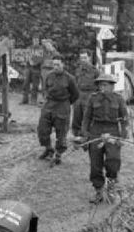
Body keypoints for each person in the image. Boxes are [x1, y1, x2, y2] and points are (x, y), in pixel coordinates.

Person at [81, 73, 130, 203]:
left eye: (105, 85)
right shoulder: (93, 99)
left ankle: (111, 187)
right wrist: (85, 133)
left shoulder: (119, 99)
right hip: (96, 131)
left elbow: (125, 119)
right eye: (100, 84)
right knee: (95, 165)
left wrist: (123, 136)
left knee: (113, 161)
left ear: (112, 86)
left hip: (112, 132)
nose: (102, 87)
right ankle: (98, 191)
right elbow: (86, 118)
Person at [37, 56, 79, 165]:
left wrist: (66, 103)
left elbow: (75, 94)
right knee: (42, 128)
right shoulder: (49, 76)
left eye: (58, 65)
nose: (55, 67)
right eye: (54, 64)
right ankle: (48, 149)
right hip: (49, 104)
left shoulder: (70, 78)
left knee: (61, 132)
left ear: (63, 65)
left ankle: (58, 154)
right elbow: (45, 89)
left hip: (62, 105)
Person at [71, 49, 99, 137]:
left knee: (87, 117)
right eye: (81, 58)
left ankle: (88, 136)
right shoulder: (77, 70)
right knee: (77, 116)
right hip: (79, 96)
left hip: (89, 96)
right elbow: (75, 83)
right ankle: (78, 136)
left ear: (89, 58)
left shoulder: (95, 71)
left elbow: (99, 86)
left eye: (85, 58)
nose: (83, 60)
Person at [21, 37, 44, 105]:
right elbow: (25, 56)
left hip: (36, 69)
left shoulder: (41, 49)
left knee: (35, 85)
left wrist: (34, 63)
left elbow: (41, 59)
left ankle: (33, 100)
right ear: (32, 41)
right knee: (25, 84)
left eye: (37, 40)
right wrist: (28, 61)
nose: (35, 41)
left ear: (39, 41)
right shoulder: (29, 48)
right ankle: (25, 100)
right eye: (34, 40)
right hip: (28, 68)